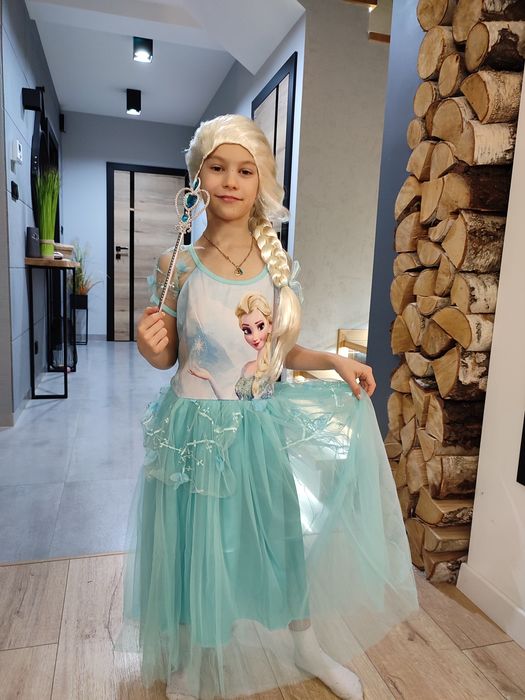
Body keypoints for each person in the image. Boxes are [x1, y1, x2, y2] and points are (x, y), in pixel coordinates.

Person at [115, 114, 419, 700]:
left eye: (245, 171)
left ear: (261, 183)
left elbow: (277, 352)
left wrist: (334, 361)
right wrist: (150, 347)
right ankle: (196, 656)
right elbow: (170, 352)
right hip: (196, 433)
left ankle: (306, 643)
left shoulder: (275, 265)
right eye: (217, 167)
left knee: (280, 536)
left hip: (258, 428)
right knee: (200, 543)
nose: (230, 181)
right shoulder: (178, 264)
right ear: (197, 177)